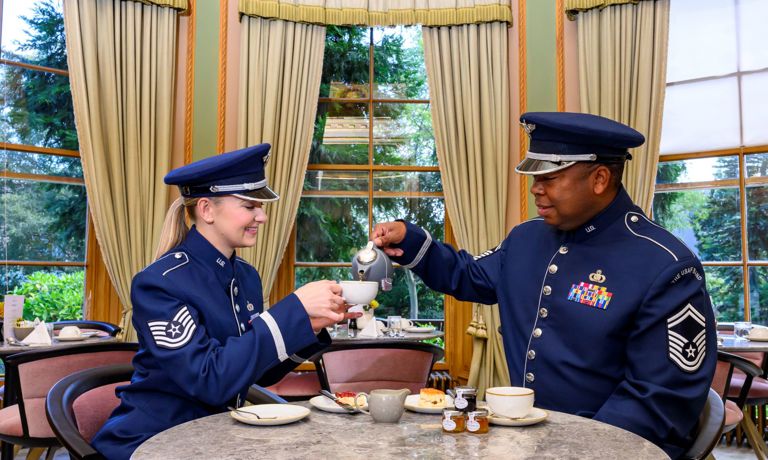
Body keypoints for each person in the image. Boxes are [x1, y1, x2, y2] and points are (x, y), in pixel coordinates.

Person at [371, 112, 716, 458]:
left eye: (550, 176)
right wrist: (411, 241)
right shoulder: (526, 239)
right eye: (535, 175)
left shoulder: (665, 265)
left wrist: (577, 449)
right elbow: (469, 276)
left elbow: (658, 399)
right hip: (531, 444)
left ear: (599, 179)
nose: (536, 187)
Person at [92, 144, 358, 459]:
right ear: (206, 210)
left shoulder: (246, 277)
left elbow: (257, 373)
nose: (263, 215)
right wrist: (293, 310)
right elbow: (210, 381)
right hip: (153, 440)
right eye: (249, 205)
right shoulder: (160, 283)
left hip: (214, 438)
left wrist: (310, 325)